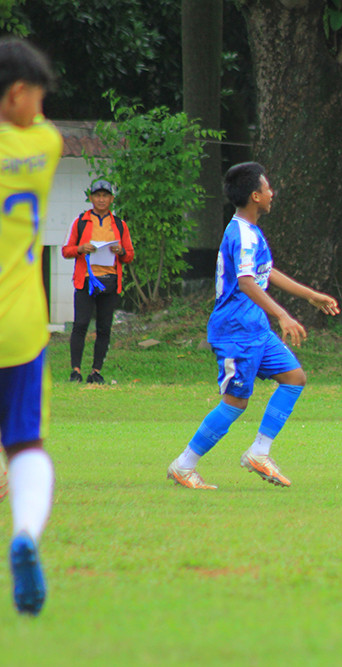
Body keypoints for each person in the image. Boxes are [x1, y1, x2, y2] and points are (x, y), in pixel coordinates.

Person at [166, 162, 340, 489]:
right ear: (255, 196)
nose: (273, 193)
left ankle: (259, 451)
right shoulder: (242, 235)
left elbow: (266, 273)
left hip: (256, 328)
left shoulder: (252, 231)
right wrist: (283, 315)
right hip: (236, 330)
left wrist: (310, 295)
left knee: (294, 378)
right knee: (235, 402)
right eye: (268, 188)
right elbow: (246, 282)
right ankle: (183, 465)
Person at [0, 37, 62, 615]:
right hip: (19, 325)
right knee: (26, 445)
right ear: (17, 95)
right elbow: (34, 119)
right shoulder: (44, 144)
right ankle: (23, 536)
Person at [61, 178, 134, 384]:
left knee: (104, 327)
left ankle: (96, 371)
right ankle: (75, 370)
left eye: (105, 196)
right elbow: (66, 250)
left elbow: (129, 255)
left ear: (111, 199)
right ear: (91, 198)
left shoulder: (119, 225)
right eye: (97, 195)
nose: (101, 200)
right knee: (80, 324)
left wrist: (120, 251)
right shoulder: (81, 222)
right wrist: (80, 249)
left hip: (109, 280)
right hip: (85, 280)